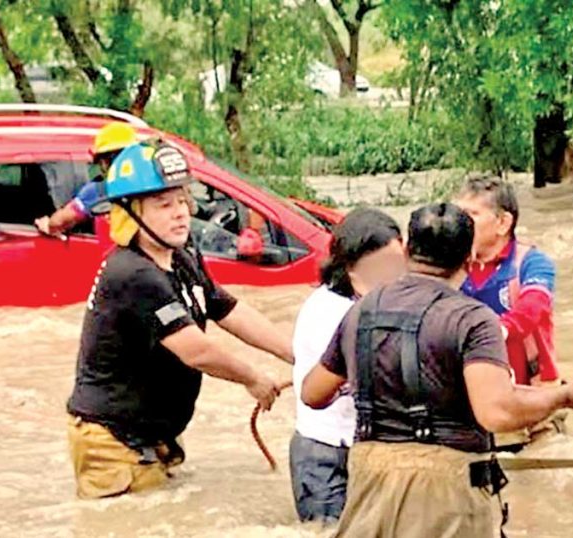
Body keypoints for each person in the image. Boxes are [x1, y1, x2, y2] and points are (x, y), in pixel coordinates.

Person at [301, 203, 573, 537]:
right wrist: (563, 396)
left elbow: (312, 393)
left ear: (406, 251)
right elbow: (497, 413)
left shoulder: (362, 310)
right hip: (445, 491)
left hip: (369, 484)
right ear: (469, 259)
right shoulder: (473, 319)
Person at [66, 142, 292, 499]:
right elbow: (196, 351)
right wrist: (254, 378)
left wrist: (295, 353)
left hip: (154, 435)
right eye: (163, 205)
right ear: (130, 213)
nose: (181, 214)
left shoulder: (182, 255)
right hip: (116, 441)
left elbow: (227, 309)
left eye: (182, 200)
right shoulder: (132, 273)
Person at [289, 208, 407, 524]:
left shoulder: (376, 302)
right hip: (326, 455)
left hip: (367, 451)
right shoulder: (329, 311)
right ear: (352, 269)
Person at [454, 175, 559, 387]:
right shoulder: (451, 264)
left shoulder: (532, 263)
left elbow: (535, 304)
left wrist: (495, 331)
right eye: (457, 214)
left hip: (529, 394)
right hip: (469, 391)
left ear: (503, 223)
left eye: (470, 215)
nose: (457, 223)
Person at [35, 121, 139, 236]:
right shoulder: (158, 184)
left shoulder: (97, 191)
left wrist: (47, 224)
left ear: (104, 162)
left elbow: (58, 222)